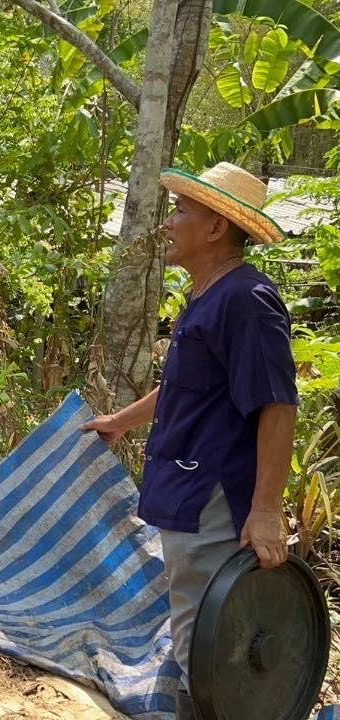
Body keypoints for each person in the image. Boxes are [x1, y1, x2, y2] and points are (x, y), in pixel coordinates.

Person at [80, 163, 297, 720]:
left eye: (181, 211)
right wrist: (121, 421)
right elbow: (183, 385)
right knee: (195, 630)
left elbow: (277, 404)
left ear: (216, 227)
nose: (169, 223)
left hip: (213, 497)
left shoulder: (246, 299)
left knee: (206, 640)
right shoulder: (207, 295)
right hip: (187, 485)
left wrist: (266, 510)